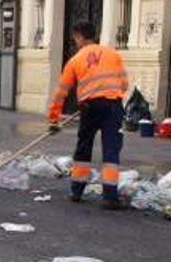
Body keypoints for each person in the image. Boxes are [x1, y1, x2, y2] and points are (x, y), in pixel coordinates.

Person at [47, 21, 128, 210]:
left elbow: (61, 92)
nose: (75, 42)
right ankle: (110, 197)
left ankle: (76, 191)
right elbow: (124, 83)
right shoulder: (113, 54)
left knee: (84, 147)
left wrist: (53, 118)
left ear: (81, 37)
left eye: (75, 38)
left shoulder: (75, 60)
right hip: (112, 107)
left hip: (89, 107)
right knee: (111, 149)